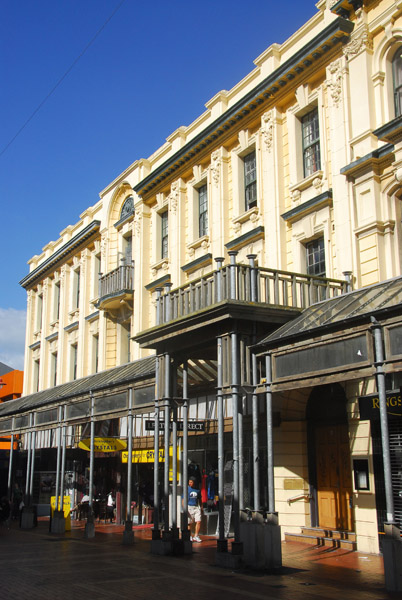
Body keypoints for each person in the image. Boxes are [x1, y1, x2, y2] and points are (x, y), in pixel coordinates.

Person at [187, 476, 202, 542]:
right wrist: (184, 507)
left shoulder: (198, 490)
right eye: (189, 482)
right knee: (189, 522)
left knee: (198, 521)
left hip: (196, 507)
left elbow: (200, 498)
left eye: (191, 482)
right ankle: (189, 536)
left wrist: (201, 507)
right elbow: (183, 498)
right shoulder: (187, 489)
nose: (189, 483)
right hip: (189, 507)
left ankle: (196, 535)